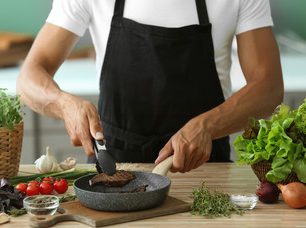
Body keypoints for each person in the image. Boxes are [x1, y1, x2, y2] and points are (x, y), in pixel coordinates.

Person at [16, 0, 283, 173]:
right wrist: (65, 105)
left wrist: (207, 125)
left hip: (203, 168)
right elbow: (29, 77)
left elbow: (268, 88)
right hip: (113, 168)